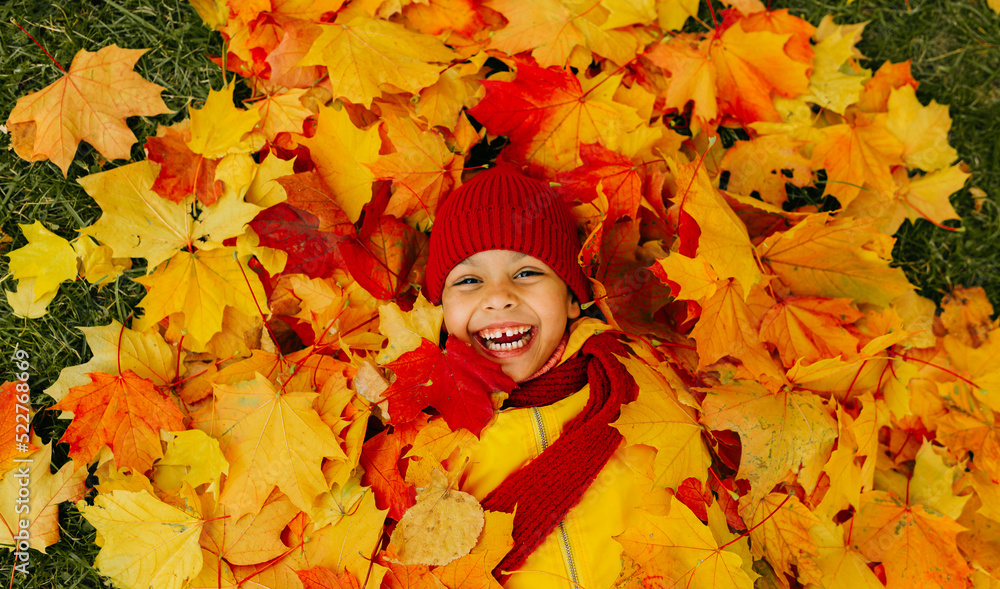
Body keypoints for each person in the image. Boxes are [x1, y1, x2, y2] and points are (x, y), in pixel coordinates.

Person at [421, 160, 646, 588]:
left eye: (526, 272)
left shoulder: (633, 384)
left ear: (572, 298)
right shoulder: (424, 437)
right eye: (469, 280)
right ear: (440, 309)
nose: (499, 297)